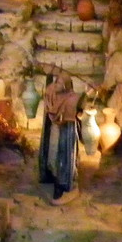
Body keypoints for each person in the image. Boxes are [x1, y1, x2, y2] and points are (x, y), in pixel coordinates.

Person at [38, 71, 81, 204]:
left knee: (63, 157)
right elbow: (48, 89)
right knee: (52, 155)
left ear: (66, 86)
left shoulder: (72, 99)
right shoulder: (52, 94)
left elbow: (79, 109)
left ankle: (61, 183)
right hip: (54, 131)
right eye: (57, 82)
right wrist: (50, 75)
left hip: (65, 133)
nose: (57, 85)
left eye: (60, 83)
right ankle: (51, 174)